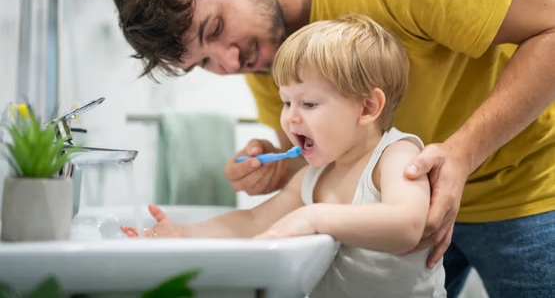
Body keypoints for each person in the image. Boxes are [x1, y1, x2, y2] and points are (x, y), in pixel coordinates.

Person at [112, 0, 555, 296]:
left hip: (525, 187)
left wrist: (462, 154)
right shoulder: (264, 55)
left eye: (215, 29)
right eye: (204, 62)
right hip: (405, 220)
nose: (229, 64)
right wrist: (281, 163)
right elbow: (325, 161)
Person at [121, 15, 447, 297]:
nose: (290, 117)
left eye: (308, 104)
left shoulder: (396, 156)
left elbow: (409, 225)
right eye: (286, 102)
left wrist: (313, 217)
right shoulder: (314, 176)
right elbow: (252, 222)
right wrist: (183, 234)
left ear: (367, 107)